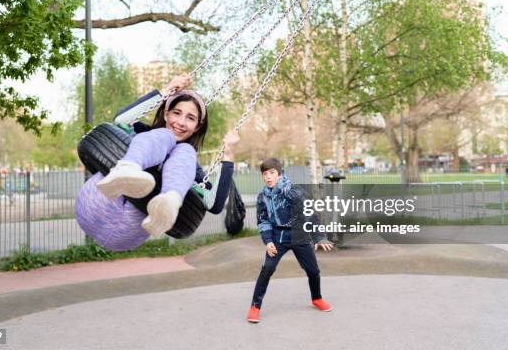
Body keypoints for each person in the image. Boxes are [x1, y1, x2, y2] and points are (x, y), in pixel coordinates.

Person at [96, 74, 239, 238]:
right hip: (108, 201)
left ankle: (170, 201)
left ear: (197, 126)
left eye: (190, 118)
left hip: (133, 227)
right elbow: (120, 120)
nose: (181, 122)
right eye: (176, 113)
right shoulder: (144, 133)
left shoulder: (189, 166)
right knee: (165, 136)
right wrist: (165, 91)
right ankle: (128, 169)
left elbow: (214, 204)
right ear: (166, 114)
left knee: (186, 151)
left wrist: (228, 154)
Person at [247, 158, 333, 323]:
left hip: (299, 235)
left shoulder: (293, 191)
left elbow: (307, 213)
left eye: (272, 173)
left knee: (313, 271)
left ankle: (317, 298)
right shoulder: (263, 197)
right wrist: (268, 241)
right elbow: (263, 220)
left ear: (279, 174)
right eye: (265, 174)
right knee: (267, 269)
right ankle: (255, 307)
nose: (268, 177)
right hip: (278, 237)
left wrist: (319, 236)